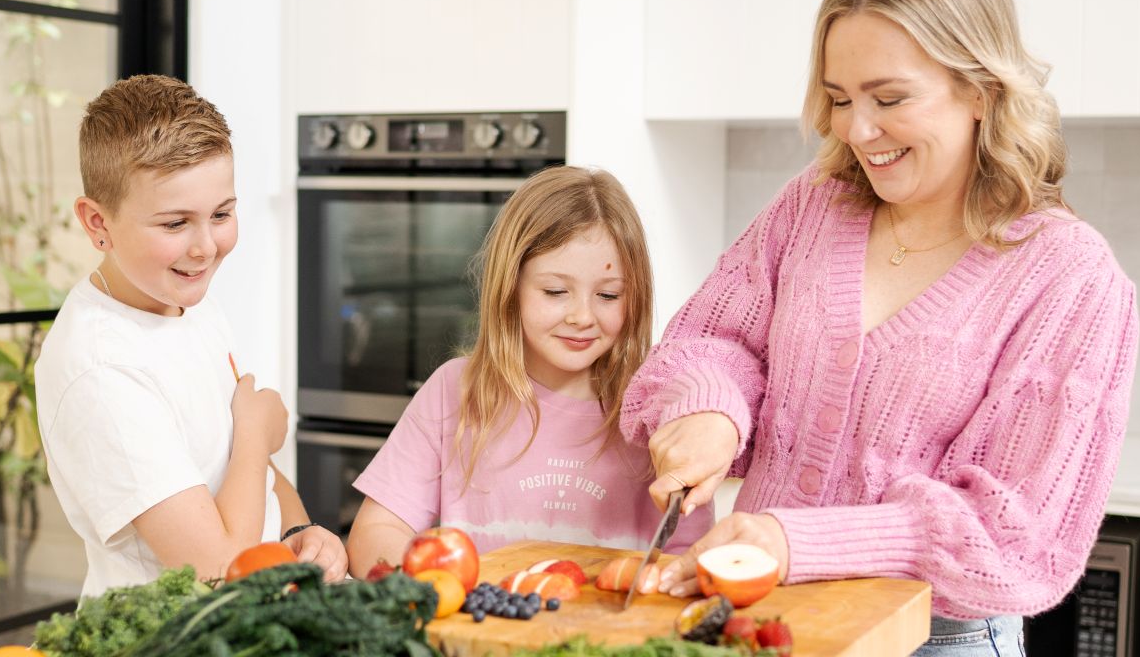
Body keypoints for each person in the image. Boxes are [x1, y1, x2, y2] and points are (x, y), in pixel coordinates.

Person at [620, 0, 1139, 654]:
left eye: (889, 99)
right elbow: (718, 340)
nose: (854, 130)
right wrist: (710, 408)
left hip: (935, 638)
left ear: (981, 91)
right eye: (838, 99)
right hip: (757, 619)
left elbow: (1018, 531)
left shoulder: (1069, 277)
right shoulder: (812, 206)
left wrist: (797, 540)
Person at [35, 75, 347, 598]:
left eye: (222, 214)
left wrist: (298, 530)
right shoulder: (101, 370)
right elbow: (218, 571)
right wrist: (256, 432)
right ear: (97, 223)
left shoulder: (185, 302)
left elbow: (240, 467)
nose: (206, 247)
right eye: (175, 223)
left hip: (266, 611)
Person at [347, 165, 713, 577]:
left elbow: (690, 558)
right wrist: (435, 591)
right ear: (511, 287)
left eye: (608, 295)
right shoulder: (454, 391)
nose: (582, 316)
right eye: (556, 292)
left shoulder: (660, 411)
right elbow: (376, 533)